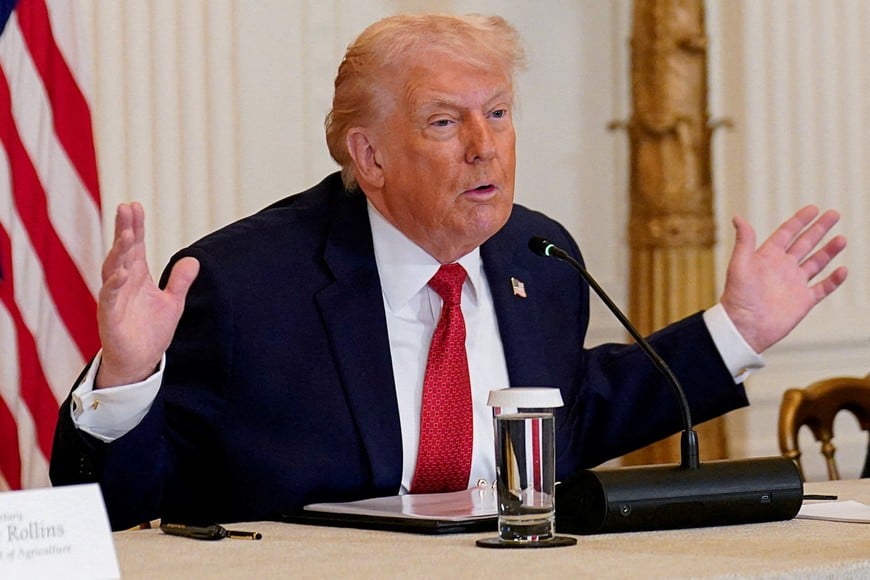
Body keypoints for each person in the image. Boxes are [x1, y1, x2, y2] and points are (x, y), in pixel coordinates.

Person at [49, 13, 847, 531]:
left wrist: (734, 331)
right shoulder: (244, 282)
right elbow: (122, 508)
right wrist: (126, 374)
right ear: (369, 157)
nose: (484, 144)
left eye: (497, 112)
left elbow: (566, 419)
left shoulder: (540, 255)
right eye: (444, 121)